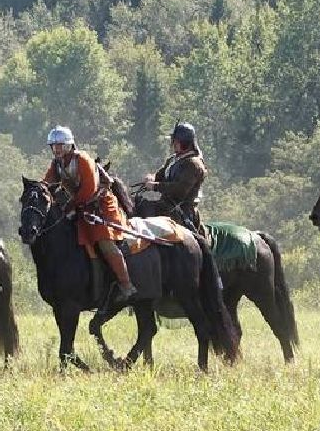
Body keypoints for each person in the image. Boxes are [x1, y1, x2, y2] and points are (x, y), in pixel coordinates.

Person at [41, 125, 137, 304]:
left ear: (69, 145)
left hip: (101, 205)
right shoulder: (56, 164)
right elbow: (47, 183)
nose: (57, 149)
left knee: (104, 241)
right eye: (54, 146)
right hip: (79, 207)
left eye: (60, 145)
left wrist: (69, 206)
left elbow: (88, 190)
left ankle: (126, 284)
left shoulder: (82, 159)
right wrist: (38, 189)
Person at [140, 122, 208, 235]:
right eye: (174, 141)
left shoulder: (194, 164)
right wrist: (151, 178)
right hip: (165, 205)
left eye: (176, 141)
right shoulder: (173, 159)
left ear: (185, 142)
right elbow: (160, 176)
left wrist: (155, 186)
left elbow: (179, 190)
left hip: (182, 212)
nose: (173, 144)